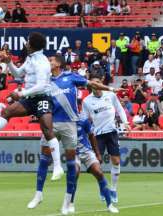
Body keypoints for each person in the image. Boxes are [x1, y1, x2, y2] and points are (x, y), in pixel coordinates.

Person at [27, 56, 118, 213]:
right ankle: (44, 195)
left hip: (76, 134)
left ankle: (102, 203)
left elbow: (91, 84)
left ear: (59, 64)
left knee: (89, 170)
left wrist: (109, 89)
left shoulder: (71, 78)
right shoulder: (44, 80)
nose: (49, 62)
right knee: (50, 161)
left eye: (51, 60)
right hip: (52, 124)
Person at [0, 33, 64, 181]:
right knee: (7, 111)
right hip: (29, 98)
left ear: (33, 45)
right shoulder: (30, 59)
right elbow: (17, 73)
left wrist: (22, 93)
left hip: (42, 97)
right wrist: (9, 62)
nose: (26, 44)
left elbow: (42, 86)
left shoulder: (42, 62)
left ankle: (57, 167)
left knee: (47, 130)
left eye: (28, 42)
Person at [82, 73, 130, 204]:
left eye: (98, 82)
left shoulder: (111, 95)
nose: (96, 85)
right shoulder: (87, 101)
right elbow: (84, 120)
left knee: (116, 161)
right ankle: (102, 187)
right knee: (97, 164)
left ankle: (113, 190)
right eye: (94, 83)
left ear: (101, 83)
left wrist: (126, 123)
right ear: (91, 85)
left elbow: (119, 109)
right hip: (97, 135)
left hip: (112, 132)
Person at [72, 118, 118, 213]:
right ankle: (70, 204)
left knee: (99, 172)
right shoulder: (64, 122)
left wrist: (97, 154)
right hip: (73, 153)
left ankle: (110, 205)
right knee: (74, 173)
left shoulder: (83, 121)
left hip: (87, 151)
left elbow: (92, 136)